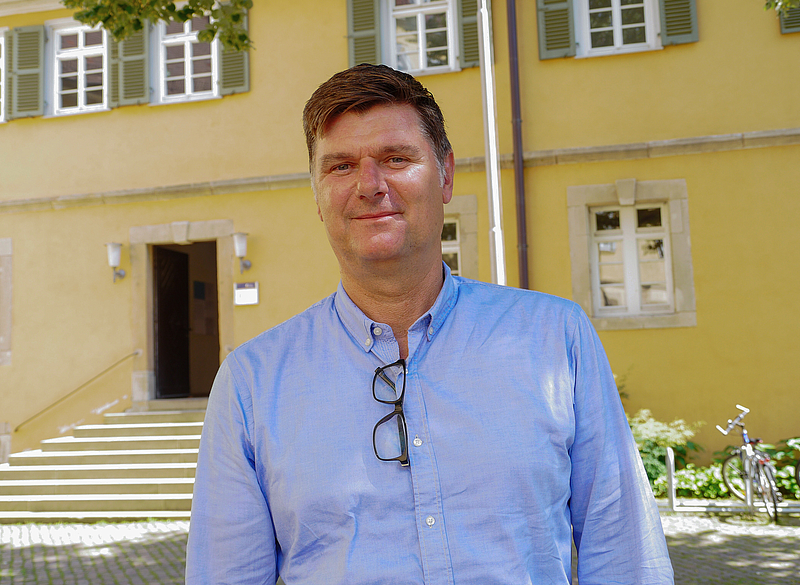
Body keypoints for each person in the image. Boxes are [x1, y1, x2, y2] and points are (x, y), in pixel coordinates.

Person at [185, 64, 674, 584]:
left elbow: (624, 556)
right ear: (317, 193)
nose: (369, 185)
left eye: (396, 159)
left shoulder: (555, 338)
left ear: (445, 175)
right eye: (341, 166)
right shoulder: (253, 382)